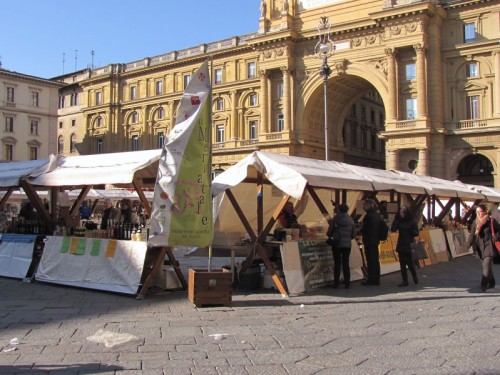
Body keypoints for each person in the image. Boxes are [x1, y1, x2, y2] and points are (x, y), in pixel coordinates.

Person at [466, 204, 499, 291]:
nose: (478, 214)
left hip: (489, 246)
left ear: (484, 212)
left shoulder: (491, 221)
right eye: (477, 212)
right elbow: (472, 234)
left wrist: (497, 236)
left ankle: (483, 284)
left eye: (480, 212)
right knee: (486, 266)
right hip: (479, 247)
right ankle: (492, 282)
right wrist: (467, 244)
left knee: (486, 265)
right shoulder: (475, 222)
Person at [326, 203, 356, 289]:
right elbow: (353, 235)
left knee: (337, 263)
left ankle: (336, 283)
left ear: (339, 210)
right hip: (347, 245)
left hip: (336, 244)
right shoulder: (351, 220)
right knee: (346, 263)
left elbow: (329, 233)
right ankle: (347, 283)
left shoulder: (336, 219)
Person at [391, 205, 419, 287]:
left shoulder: (412, 221)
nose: (401, 214)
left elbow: (416, 233)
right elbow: (393, 229)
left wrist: (410, 230)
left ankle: (414, 274)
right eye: (400, 212)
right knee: (402, 263)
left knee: (409, 262)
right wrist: (396, 220)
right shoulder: (399, 221)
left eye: (403, 212)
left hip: (409, 242)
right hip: (401, 242)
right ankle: (405, 280)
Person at [361, 199, 383, 286]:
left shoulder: (368, 216)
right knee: (376, 260)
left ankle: (371, 279)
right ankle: (376, 279)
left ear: (368, 205)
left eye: (364, 205)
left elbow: (366, 229)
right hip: (375, 240)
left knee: (370, 260)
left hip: (369, 240)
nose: (363, 207)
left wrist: (361, 230)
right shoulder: (377, 215)